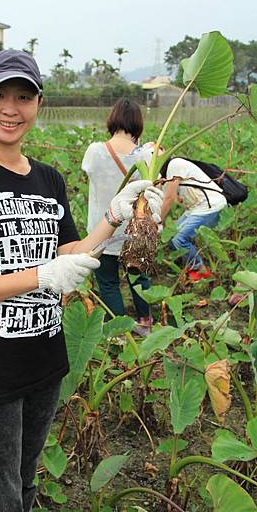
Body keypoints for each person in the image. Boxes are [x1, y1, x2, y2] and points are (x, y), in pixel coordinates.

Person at [0, 49, 163, 512]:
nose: (10, 109)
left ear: (38, 104)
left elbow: (66, 253)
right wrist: (39, 276)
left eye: (23, 96)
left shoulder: (48, 180)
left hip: (43, 361)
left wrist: (113, 218)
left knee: (26, 483)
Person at [82, 98, 156, 336]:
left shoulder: (95, 151)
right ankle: (145, 322)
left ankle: (121, 332)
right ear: (137, 124)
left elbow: (88, 174)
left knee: (108, 283)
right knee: (138, 278)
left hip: (102, 229)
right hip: (134, 232)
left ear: (112, 120)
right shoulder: (144, 155)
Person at [159, 157, 227, 281]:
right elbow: (163, 199)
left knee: (179, 238)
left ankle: (200, 270)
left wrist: (155, 222)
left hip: (210, 206)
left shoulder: (174, 164)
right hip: (195, 208)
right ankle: (185, 266)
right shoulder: (163, 175)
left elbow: (168, 199)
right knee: (170, 235)